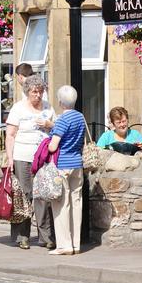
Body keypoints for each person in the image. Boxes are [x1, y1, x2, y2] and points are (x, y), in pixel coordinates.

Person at [4, 74, 56, 250]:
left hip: (42, 156)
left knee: (43, 195)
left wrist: (49, 124)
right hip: (23, 155)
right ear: (27, 92)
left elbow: (57, 130)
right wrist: (10, 158)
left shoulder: (48, 108)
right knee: (24, 195)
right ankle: (22, 236)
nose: (38, 95)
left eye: (41, 91)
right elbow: (10, 135)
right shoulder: (18, 108)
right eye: (35, 92)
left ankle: (46, 236)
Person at [48, 85, 86, 255]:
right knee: (76, 203)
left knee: (62, 205)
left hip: (63, 164)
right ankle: (76, 244)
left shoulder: (63, 120)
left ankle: (64, 245)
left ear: (61, 102)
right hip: (77, 164)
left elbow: (52, 146)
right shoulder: (80, 117)